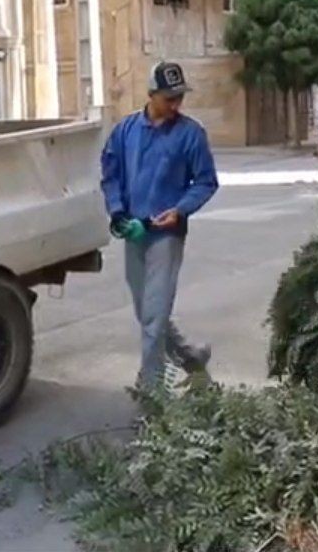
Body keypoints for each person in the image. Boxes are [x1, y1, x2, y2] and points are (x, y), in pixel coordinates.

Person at [100, 61, 219, 389]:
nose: (176, 105)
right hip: (134, 232)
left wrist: (180, 210)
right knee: (147, 313)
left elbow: (206, 181)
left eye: (180, 97)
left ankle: (152, 394)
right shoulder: (125, 132)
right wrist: (117, 212)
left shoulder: (191, 134)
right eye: (170, 98)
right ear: (151, 94)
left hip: (166, 235)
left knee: (153, 317)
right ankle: (190, 357)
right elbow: (110, 175)